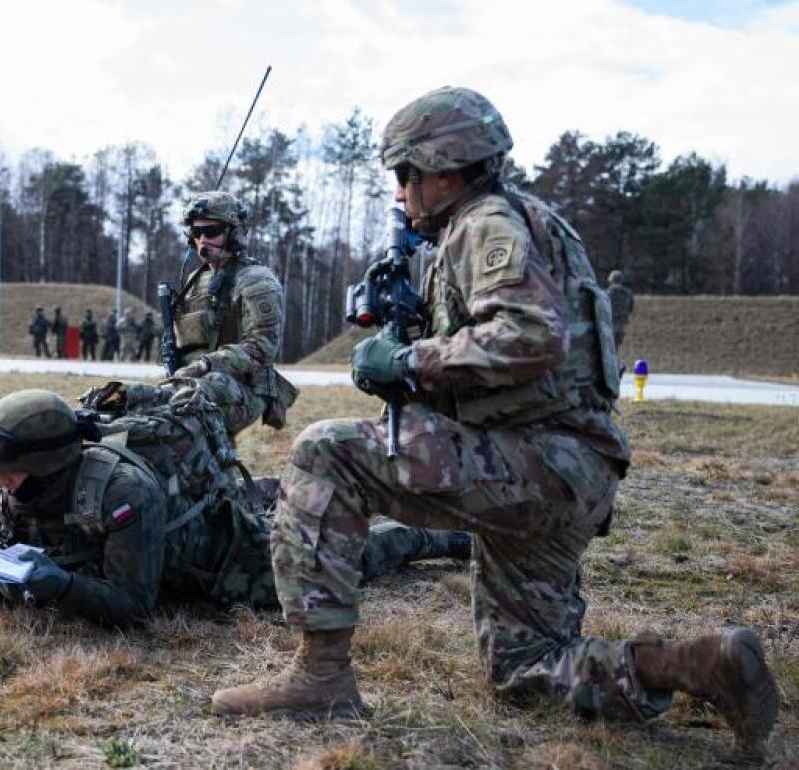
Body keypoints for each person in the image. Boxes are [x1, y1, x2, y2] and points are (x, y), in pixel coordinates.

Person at [209, 87, 779, 758]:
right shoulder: (526, 222)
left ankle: (320, 674)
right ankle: (696, 665)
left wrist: (409, 361)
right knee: (525, 667)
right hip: (566, 471)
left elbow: (530, 336)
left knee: (324, 453)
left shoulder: (486, 225)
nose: (401, 191)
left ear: (443, 170)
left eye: (406, 174)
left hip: (535, 462)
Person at [0, 389, 470, 628]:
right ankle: (287, 492)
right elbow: (37, 554)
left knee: (337, 561)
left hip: (231, 559)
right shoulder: (22, 487)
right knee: (275, 499)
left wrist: (62, 587)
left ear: (48, 463)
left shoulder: (122, 494)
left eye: (9, 470)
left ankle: (437, 535)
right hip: (179, 535)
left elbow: (133, 606)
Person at [168, 191, 298, 435]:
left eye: (211, 231)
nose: (202, 240)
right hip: (196, 380)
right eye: (196, 233)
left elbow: (262, 348)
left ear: (234, 233)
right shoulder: (196, 280)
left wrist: (205, 364)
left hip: (243, 387)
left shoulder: (255, 280)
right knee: (142, 400)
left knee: (193, 400)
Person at [607, 270, 634, 350]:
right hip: (621, 321)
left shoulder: (606, 293)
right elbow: (630, 308)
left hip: (609, 321)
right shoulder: (628, 293)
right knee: (616, 345)